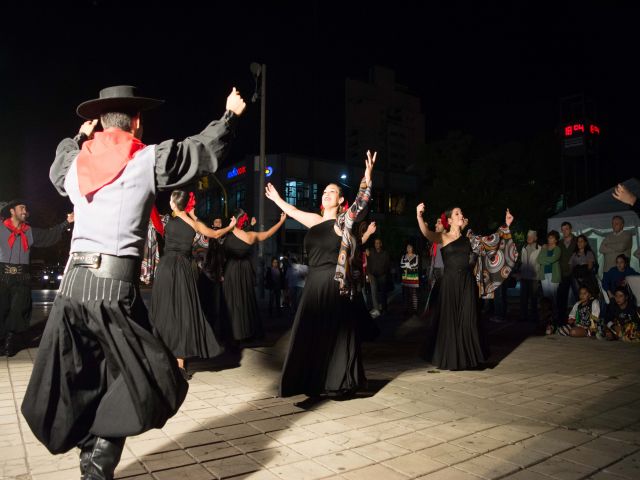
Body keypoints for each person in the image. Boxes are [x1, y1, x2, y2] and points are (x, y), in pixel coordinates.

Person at [21, 84, 246, 479]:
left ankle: (91, 459)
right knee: (153, 377)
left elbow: (58, 167)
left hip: (72, 291)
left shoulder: (74, 164)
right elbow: (200, 151)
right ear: (137, 122)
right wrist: (229, 116)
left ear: (99, 125)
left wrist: (78, 136)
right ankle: (97, 461)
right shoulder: (146, 159)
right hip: (112, 290)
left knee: (88, 374)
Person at [265, 151, 375, 397]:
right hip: (313, 283)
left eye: (332, 191)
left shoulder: (343, 222)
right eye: (324, 191)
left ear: (340, 199)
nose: (326, 194)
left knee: (334, 334)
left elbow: (361, 204)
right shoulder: (315, 220)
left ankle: (337, 382)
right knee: (311, 334)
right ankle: (310, 380)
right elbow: (292, 211)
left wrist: (367, 178)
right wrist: (277, 199)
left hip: (333, 283)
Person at [416, 204, 517, 370]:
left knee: (468, 320)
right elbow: (427, 233)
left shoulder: (470, 238)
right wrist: (419, 216)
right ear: (450, 220)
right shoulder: (443, 236)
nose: (460, 214)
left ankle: (468, 357)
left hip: (467, 284)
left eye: (461, 212)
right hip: (449, 283)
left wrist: (506, 225)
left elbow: (491, 241)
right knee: (450, 321)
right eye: (457, 213)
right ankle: (450, 358)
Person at [151, 191, 235, 378]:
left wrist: (150, 199)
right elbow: (215, 234)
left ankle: (162, 359)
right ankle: (180, 365)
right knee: (183, 312)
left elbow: (154, 220)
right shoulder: (195, 225)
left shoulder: (166, 221)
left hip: (166, 269)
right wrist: (231, 226)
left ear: (174, 204)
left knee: (164, 311)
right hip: (184, 269)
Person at [0, 200, 73, 356]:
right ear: (12, 211)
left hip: (22, 277)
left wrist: (66, 222)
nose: (25, 210)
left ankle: (9, 343)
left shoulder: (30, 231)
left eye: (26, 208)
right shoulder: (1, 228)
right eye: (22, 208)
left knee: (18, 311)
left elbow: (49, 235)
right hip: (2, 276)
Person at [223, 209, 286, 343]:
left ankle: (232, 333)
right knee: (245, 300)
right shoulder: (250, 235)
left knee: (232, 301)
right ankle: (246, 331)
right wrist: (281, 222)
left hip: (231, 270)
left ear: (234, 220)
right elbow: (268, 233)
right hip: (245, 270)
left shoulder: (227, 233)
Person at [538, 230, 562, 327]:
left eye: (551, 237)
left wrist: (545, 261)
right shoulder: (544, 248)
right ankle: (547, 318)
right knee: (546, 298)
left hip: (554, 275)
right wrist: (546, 260)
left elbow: (553, 259)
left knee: (554, 297)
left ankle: (555, 318)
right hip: (544, 275)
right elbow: (538, 259)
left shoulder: (557, 249)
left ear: (556, 239)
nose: (549, 239)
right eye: (549, 237)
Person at [518, 230, 540, 322]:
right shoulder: (524, 248)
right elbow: (522, 262)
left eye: (531, 236)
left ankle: (534, 316)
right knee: (523, 298)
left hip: (534, 277)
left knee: (533, 298)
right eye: (528, 236)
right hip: (524, 276)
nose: (529, 238)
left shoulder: (540, 248)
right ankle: (523, 316)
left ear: (535, 238)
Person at [557, 221, 578, 320]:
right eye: (563, 230)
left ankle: (580, 318)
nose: (565, 231)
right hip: (563, 273)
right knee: (561, 297)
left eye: (566, 229)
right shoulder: (559, 243)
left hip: (575, 273)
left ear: (571, 229)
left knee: (579, 295)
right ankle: (561, 319)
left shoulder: (577, 241)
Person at [368, 237, 391, 317]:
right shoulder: (371, 252)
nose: (376, 244)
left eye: (378, 243)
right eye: (375, 243)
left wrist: (383, 272)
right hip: (373, 275)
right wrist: (369, 274)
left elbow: (388, 265)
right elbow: (369, 263)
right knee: (373, 293)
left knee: (383, 293)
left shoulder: (385, 253)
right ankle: (376, 309)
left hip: (382, 275)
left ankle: (384, 309)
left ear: (381, 244)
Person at [400, 243, 419, 315]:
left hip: (414, 278)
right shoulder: (403, 256)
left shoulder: (416, 256)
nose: (409, 249)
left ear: (412, 248)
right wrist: (410, 266)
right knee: (406, 294)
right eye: (408, 247)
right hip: (405, 278)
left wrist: (407, 265)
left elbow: (416, 265)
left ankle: (415, 310)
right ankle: (406, 309)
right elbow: (401, 265)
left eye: (410, 247)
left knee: (414, 294)